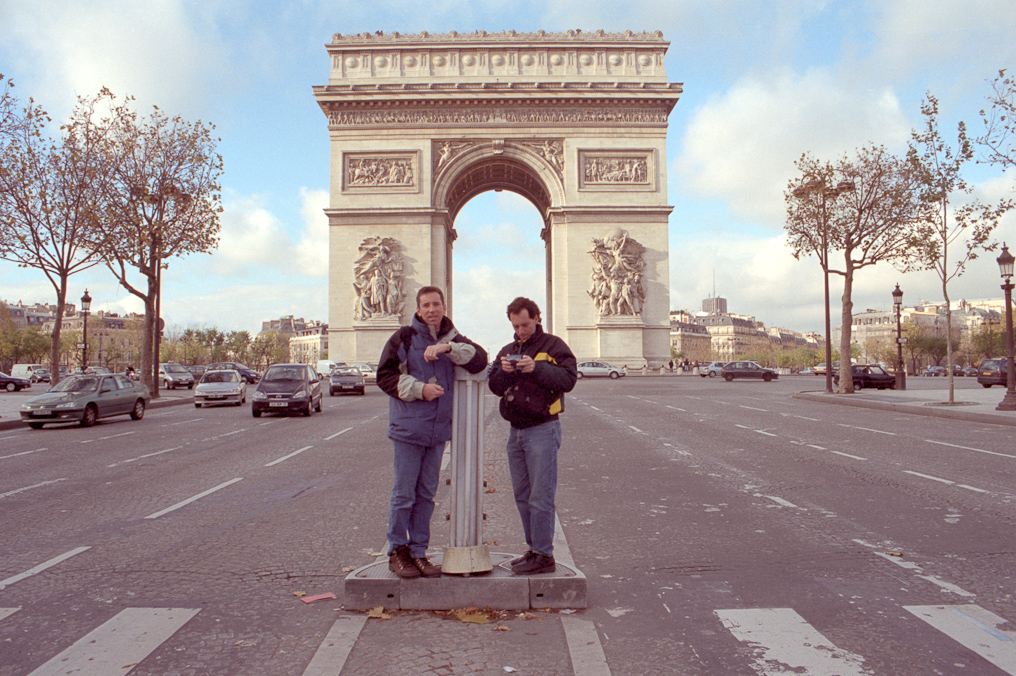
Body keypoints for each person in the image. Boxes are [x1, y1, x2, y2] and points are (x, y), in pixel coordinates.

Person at [376, 286, 488, 579]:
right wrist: (419, 389)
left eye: (436, 304)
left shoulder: (453, 337)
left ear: (444, 306)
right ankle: (397, 551)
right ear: (418, 309)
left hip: (437, 432)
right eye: (426, 305)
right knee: (404, 493)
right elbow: (384, 376)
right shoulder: (403, 337)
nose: (431, 310)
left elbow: (480, 359)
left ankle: (419, 552)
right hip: (409, 428)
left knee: (426, 494)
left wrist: (449, 348)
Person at [488, 297, 577, 575]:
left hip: (543, 429)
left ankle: (544, 555)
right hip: (516, 432)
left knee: (541, 496)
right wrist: (502, 372)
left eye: (525, 324)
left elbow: (569, 379)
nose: (521, 331)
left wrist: (536, 367)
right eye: (516, 326)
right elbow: (493, 385)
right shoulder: (507, 350)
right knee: (523, 495)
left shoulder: (554, 346)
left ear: (538, 317)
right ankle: (533, 550)